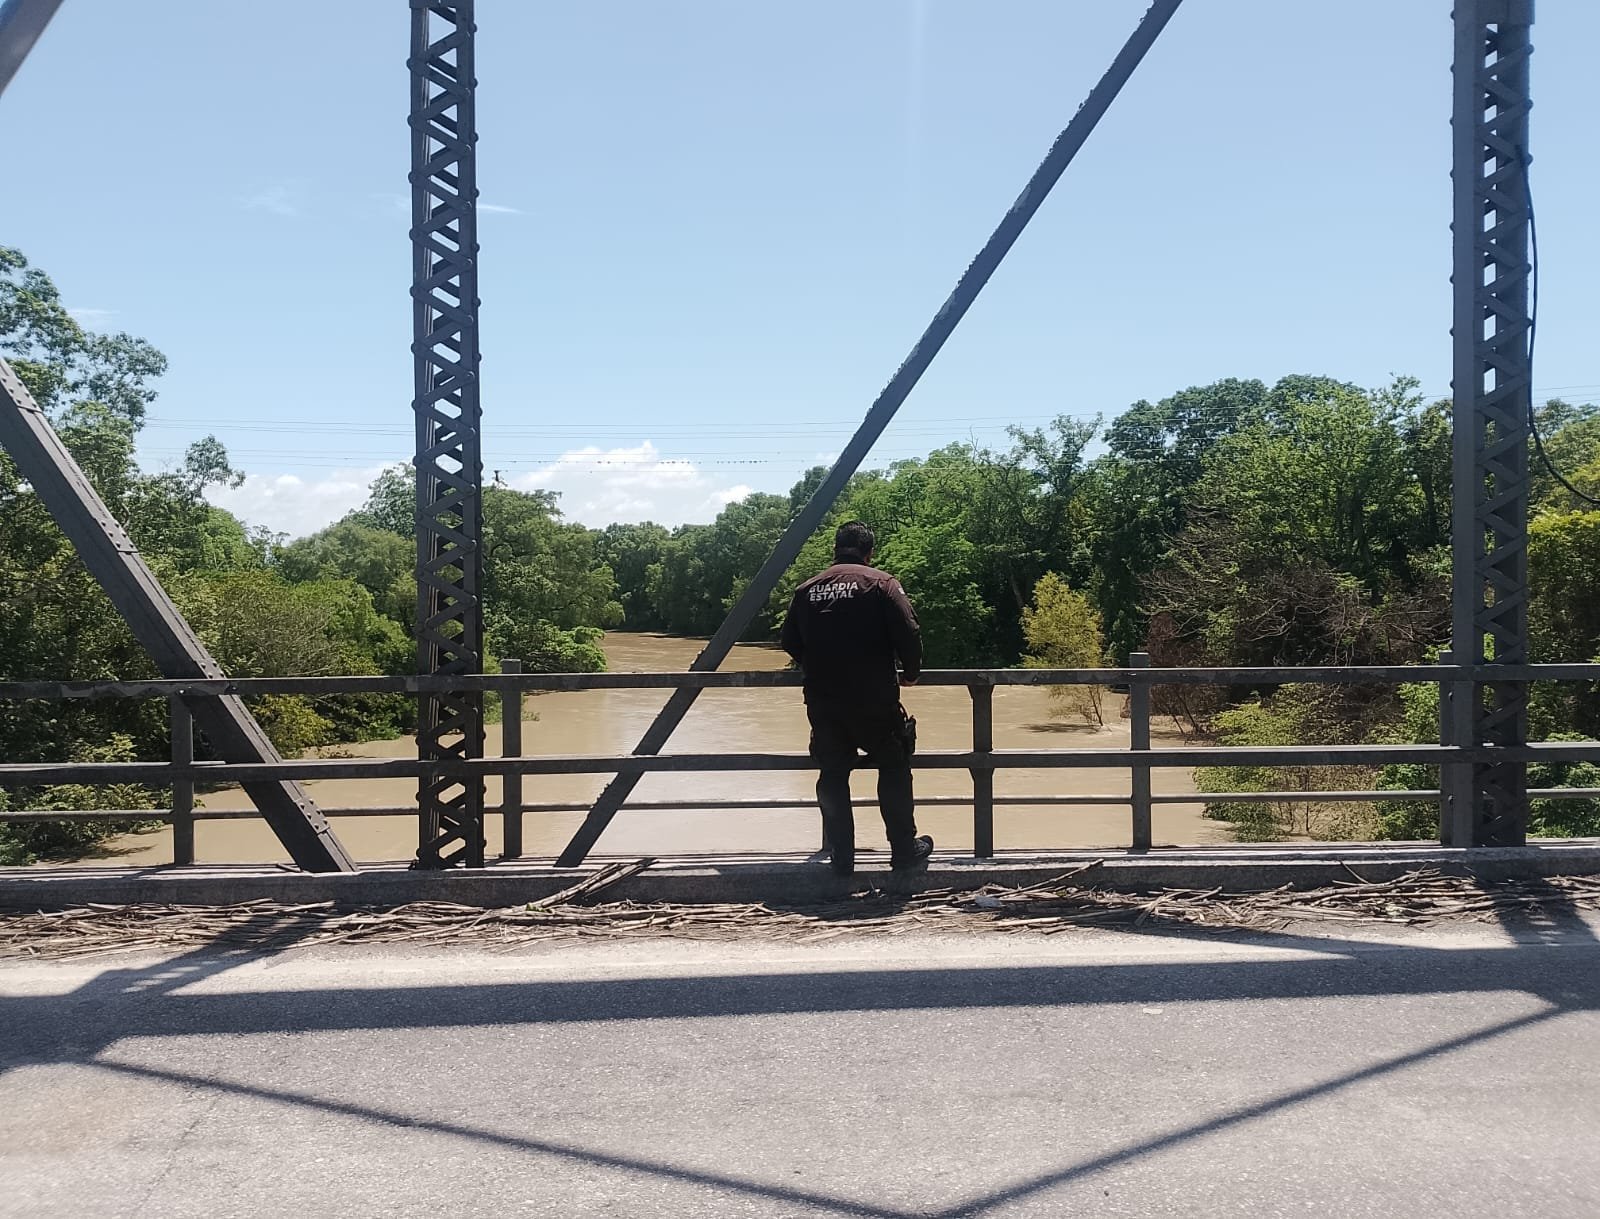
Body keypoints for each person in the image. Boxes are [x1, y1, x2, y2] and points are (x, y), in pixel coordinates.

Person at [780, 521, 934, 877]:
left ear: (835, 549)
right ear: (869, 552)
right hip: (874, 699)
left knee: (833, 773)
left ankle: (842, 858)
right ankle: (903, 851)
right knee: (893, 766)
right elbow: (909, 631)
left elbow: (789, 641)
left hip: (824, 700)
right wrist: (910, 673)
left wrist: (816, 665)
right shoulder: (883, 584)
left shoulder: (807, 590)